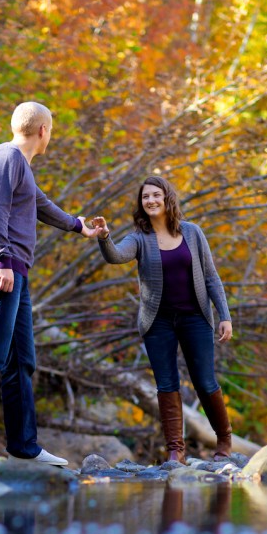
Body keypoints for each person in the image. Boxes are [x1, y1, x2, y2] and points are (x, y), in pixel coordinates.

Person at [0, 101, 104, 465]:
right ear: (43, 130)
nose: (50, 137)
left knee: (21, 360)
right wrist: (2, 259)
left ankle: (24, 446)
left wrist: (80, 226)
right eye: (51, 130)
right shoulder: (5, 157)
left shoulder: (21, 167)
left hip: (15, 271)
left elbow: (41, 205)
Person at [91, 175, 233, 463]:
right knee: (167, 384)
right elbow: (116, 257)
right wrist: (104, 237)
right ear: (141, 205)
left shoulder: (192, 233)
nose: (151, 200)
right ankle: (175, 451)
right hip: (157, 321)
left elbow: (211, 277)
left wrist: (224, 315)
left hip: (195, 317)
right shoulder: (139, 239)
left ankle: (224, 440)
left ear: (168, 198)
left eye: (156, 195)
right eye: (146, 197)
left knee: (205, 382)